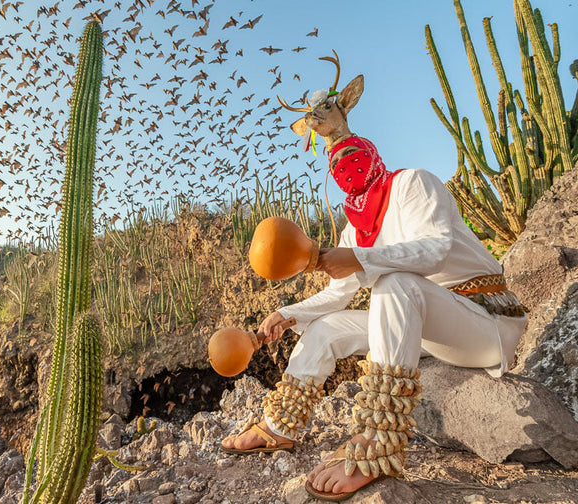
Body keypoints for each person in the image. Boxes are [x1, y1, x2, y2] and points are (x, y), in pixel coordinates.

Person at [220, 66, 528, 501]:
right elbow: (339, 294)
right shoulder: (356, 229)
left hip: (486, 323)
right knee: (327, 328)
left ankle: (378, 441)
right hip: (432, 327)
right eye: (336, 163)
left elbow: (435, 250)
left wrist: (360, 259)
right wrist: (288, 315)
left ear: (370, 150)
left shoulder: (413, 184)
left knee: (396, 283)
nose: (346, 166)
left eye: (351, 154)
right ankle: (279, 427)